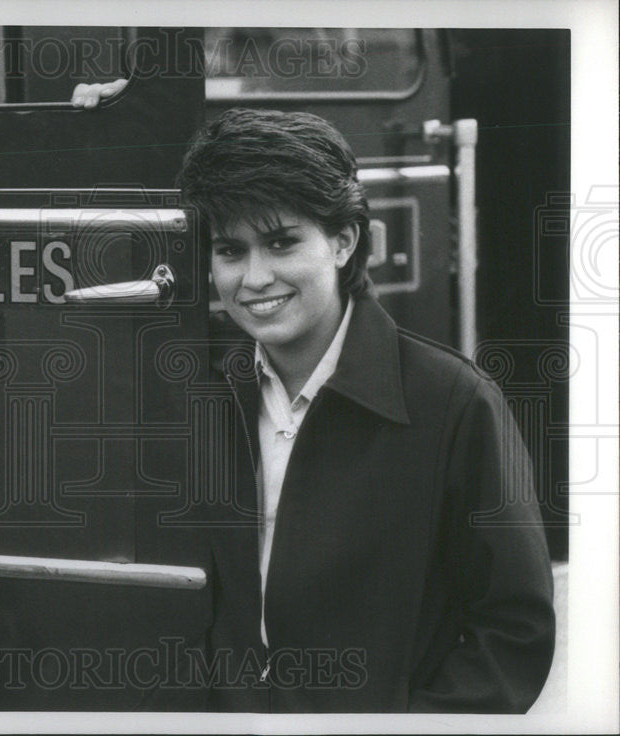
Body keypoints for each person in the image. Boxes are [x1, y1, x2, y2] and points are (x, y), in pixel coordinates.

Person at [175, 109, 555, 712]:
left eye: (281, 242)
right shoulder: (201, 397)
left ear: (345, 240)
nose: (254, 277)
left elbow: (512, 631)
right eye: (230, 249)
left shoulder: (454, 402)